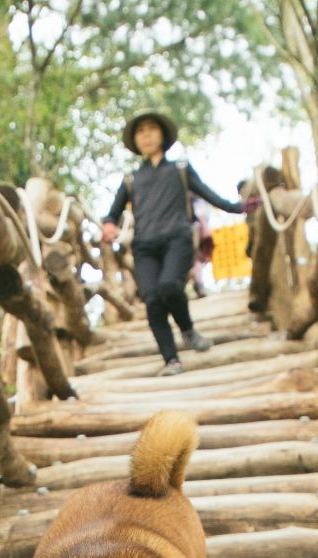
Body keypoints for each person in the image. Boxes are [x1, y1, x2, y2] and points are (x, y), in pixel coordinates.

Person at [101, 111, 248, 376]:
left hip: (176, 239)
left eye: (151, 129)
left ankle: (188, 329)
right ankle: (172, 360)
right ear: (135, 140)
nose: (146, 135)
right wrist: (109, 225)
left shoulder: (178, 169)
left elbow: (208, 193)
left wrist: (238, 208)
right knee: (153, 300)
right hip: (144, 245)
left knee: (169, 286)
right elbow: (113, 213)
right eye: (141, 131)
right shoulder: (131, 179)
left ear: (162, 135)